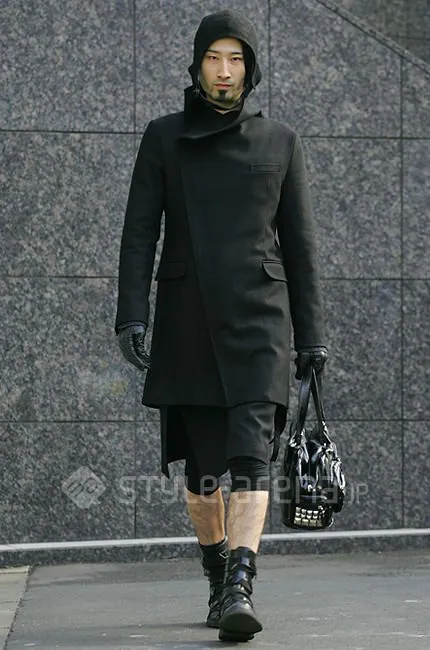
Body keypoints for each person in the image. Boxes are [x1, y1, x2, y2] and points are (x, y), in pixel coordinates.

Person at [115, 9, 327, 643]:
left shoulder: (281, 142)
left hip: (262, 323)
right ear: (197, 64)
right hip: (189, 321)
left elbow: (301, 246)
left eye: (236, 59)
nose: (225, 71)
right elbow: (139, 232)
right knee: (203, 476)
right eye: (214, 58)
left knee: (251, 459)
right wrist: (132, 313)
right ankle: (215, 575)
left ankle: (240, 584)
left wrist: (312, 335)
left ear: (250, 69)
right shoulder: (163, 137)